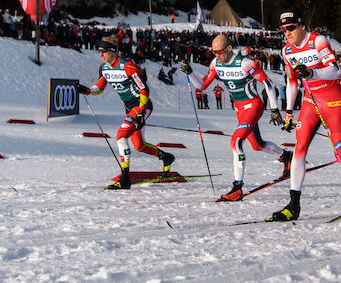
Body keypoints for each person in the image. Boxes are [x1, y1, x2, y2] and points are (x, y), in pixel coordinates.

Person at [272, 7, 341, 221]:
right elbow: (292, 81)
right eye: (283, 30)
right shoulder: (287, 50)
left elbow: (335, 71)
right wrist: (289, 111)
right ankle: (293, 205)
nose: (287, 33)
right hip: (311, 102)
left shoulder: (317, 41)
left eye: (291, 28)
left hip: (333, 102)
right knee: (299, 149)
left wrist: (312, 72)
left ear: (302, 25)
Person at [180, 34, 291, 201]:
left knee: (236, 141)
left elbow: (268, 83)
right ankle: (287, 157)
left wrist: (274, 109)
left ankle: (237, 188)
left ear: (229, 48)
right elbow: (202, 86)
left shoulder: (245, 63)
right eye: (214, 52)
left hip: (253, 105)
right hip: (240, 109)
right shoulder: (216, 64)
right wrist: (190, 72)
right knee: (257, 145)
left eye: (220, 51)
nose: (217, 55)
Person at [76, 35, 175, 189]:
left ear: (113, 51)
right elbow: (99, 88)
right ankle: (166, 157)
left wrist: (141, 112)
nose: (100, 55)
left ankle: (125, 179)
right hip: (130, 108)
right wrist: (87, 90)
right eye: (99, 51)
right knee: (139, 145)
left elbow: (144, 89)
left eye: (103, 51)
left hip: (141, 105)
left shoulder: (127, 66)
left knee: (121, 135)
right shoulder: (104, 68)